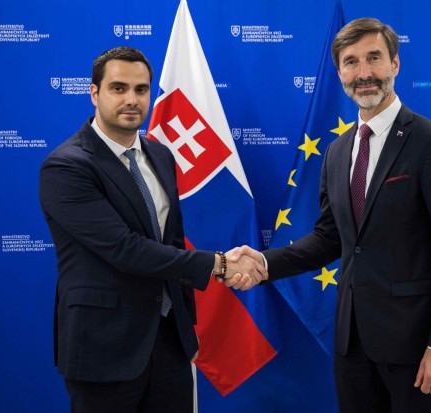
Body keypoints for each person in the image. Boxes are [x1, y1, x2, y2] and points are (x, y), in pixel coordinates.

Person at [233, 18, 431, 413]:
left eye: (373, 58)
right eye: (351, 62)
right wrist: (264, 262)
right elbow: (329, 238)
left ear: (394, 64)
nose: (363, 73)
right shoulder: (337, 151)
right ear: (340, 72)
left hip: (415, 346)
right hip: (351, 344)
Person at [39, 46, 265, 413]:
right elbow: (125, 249)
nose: (132, 99)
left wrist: (186, 329)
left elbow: (172, 241)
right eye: (118, 88)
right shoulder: (67, 166)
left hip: (169, 343)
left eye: (141, 89)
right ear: (94, 93)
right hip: (103, 347)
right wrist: (221, 264)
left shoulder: (160, 155)